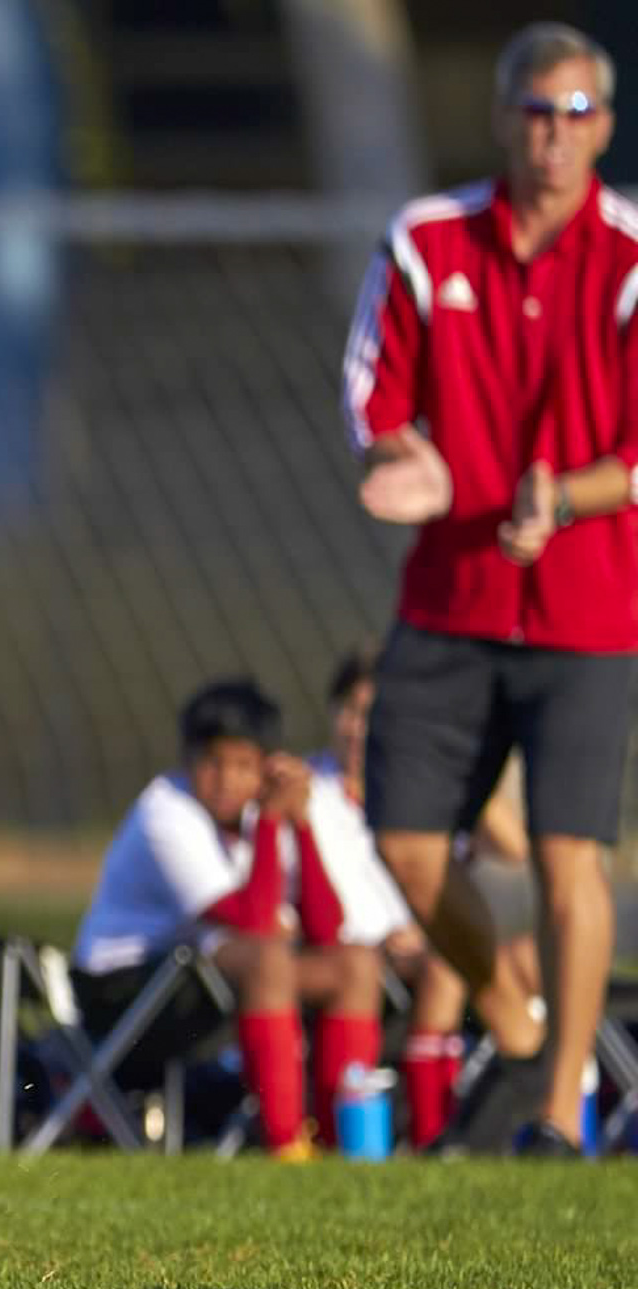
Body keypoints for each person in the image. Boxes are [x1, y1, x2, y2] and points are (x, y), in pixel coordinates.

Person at [343, 21, 637, 1155]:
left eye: (573, 114)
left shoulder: (623, 256)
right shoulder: (430, 241)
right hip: (450, 601)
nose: (550, 135)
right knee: (405, 844)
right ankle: (512, 1023)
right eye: (531, 109)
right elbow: (372, 385)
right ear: (502, 116)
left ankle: (560, 1110)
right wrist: (389, 456)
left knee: (568, 858)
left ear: (601, 128)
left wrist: (564, 498)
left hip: (587, 606)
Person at [72, 679, 398, 1156]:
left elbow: (327, 927)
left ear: (266, 768)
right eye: (212, 762)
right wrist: (271, 822)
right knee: (267, 959)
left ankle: (339, 1142)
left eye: (244, 765)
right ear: (187, 760)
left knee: (355, 965)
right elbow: (253, 918)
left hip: (204, 983)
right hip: (122, 994)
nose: (226, 779)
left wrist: (302, 824)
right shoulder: (166, 810)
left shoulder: (257, 816)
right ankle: (286, 1147)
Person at [315, 646, 547, 1151]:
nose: (361, 728)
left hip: (427, 948)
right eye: (352, 711)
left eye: (377, 715)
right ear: (332, 713)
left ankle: (552, 1102)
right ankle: (436, 1134)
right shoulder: (310, 792)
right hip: (350, 955)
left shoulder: (423, 799)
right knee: (449, 965)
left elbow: (516, 846)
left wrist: (466, 773)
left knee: (529, 957)